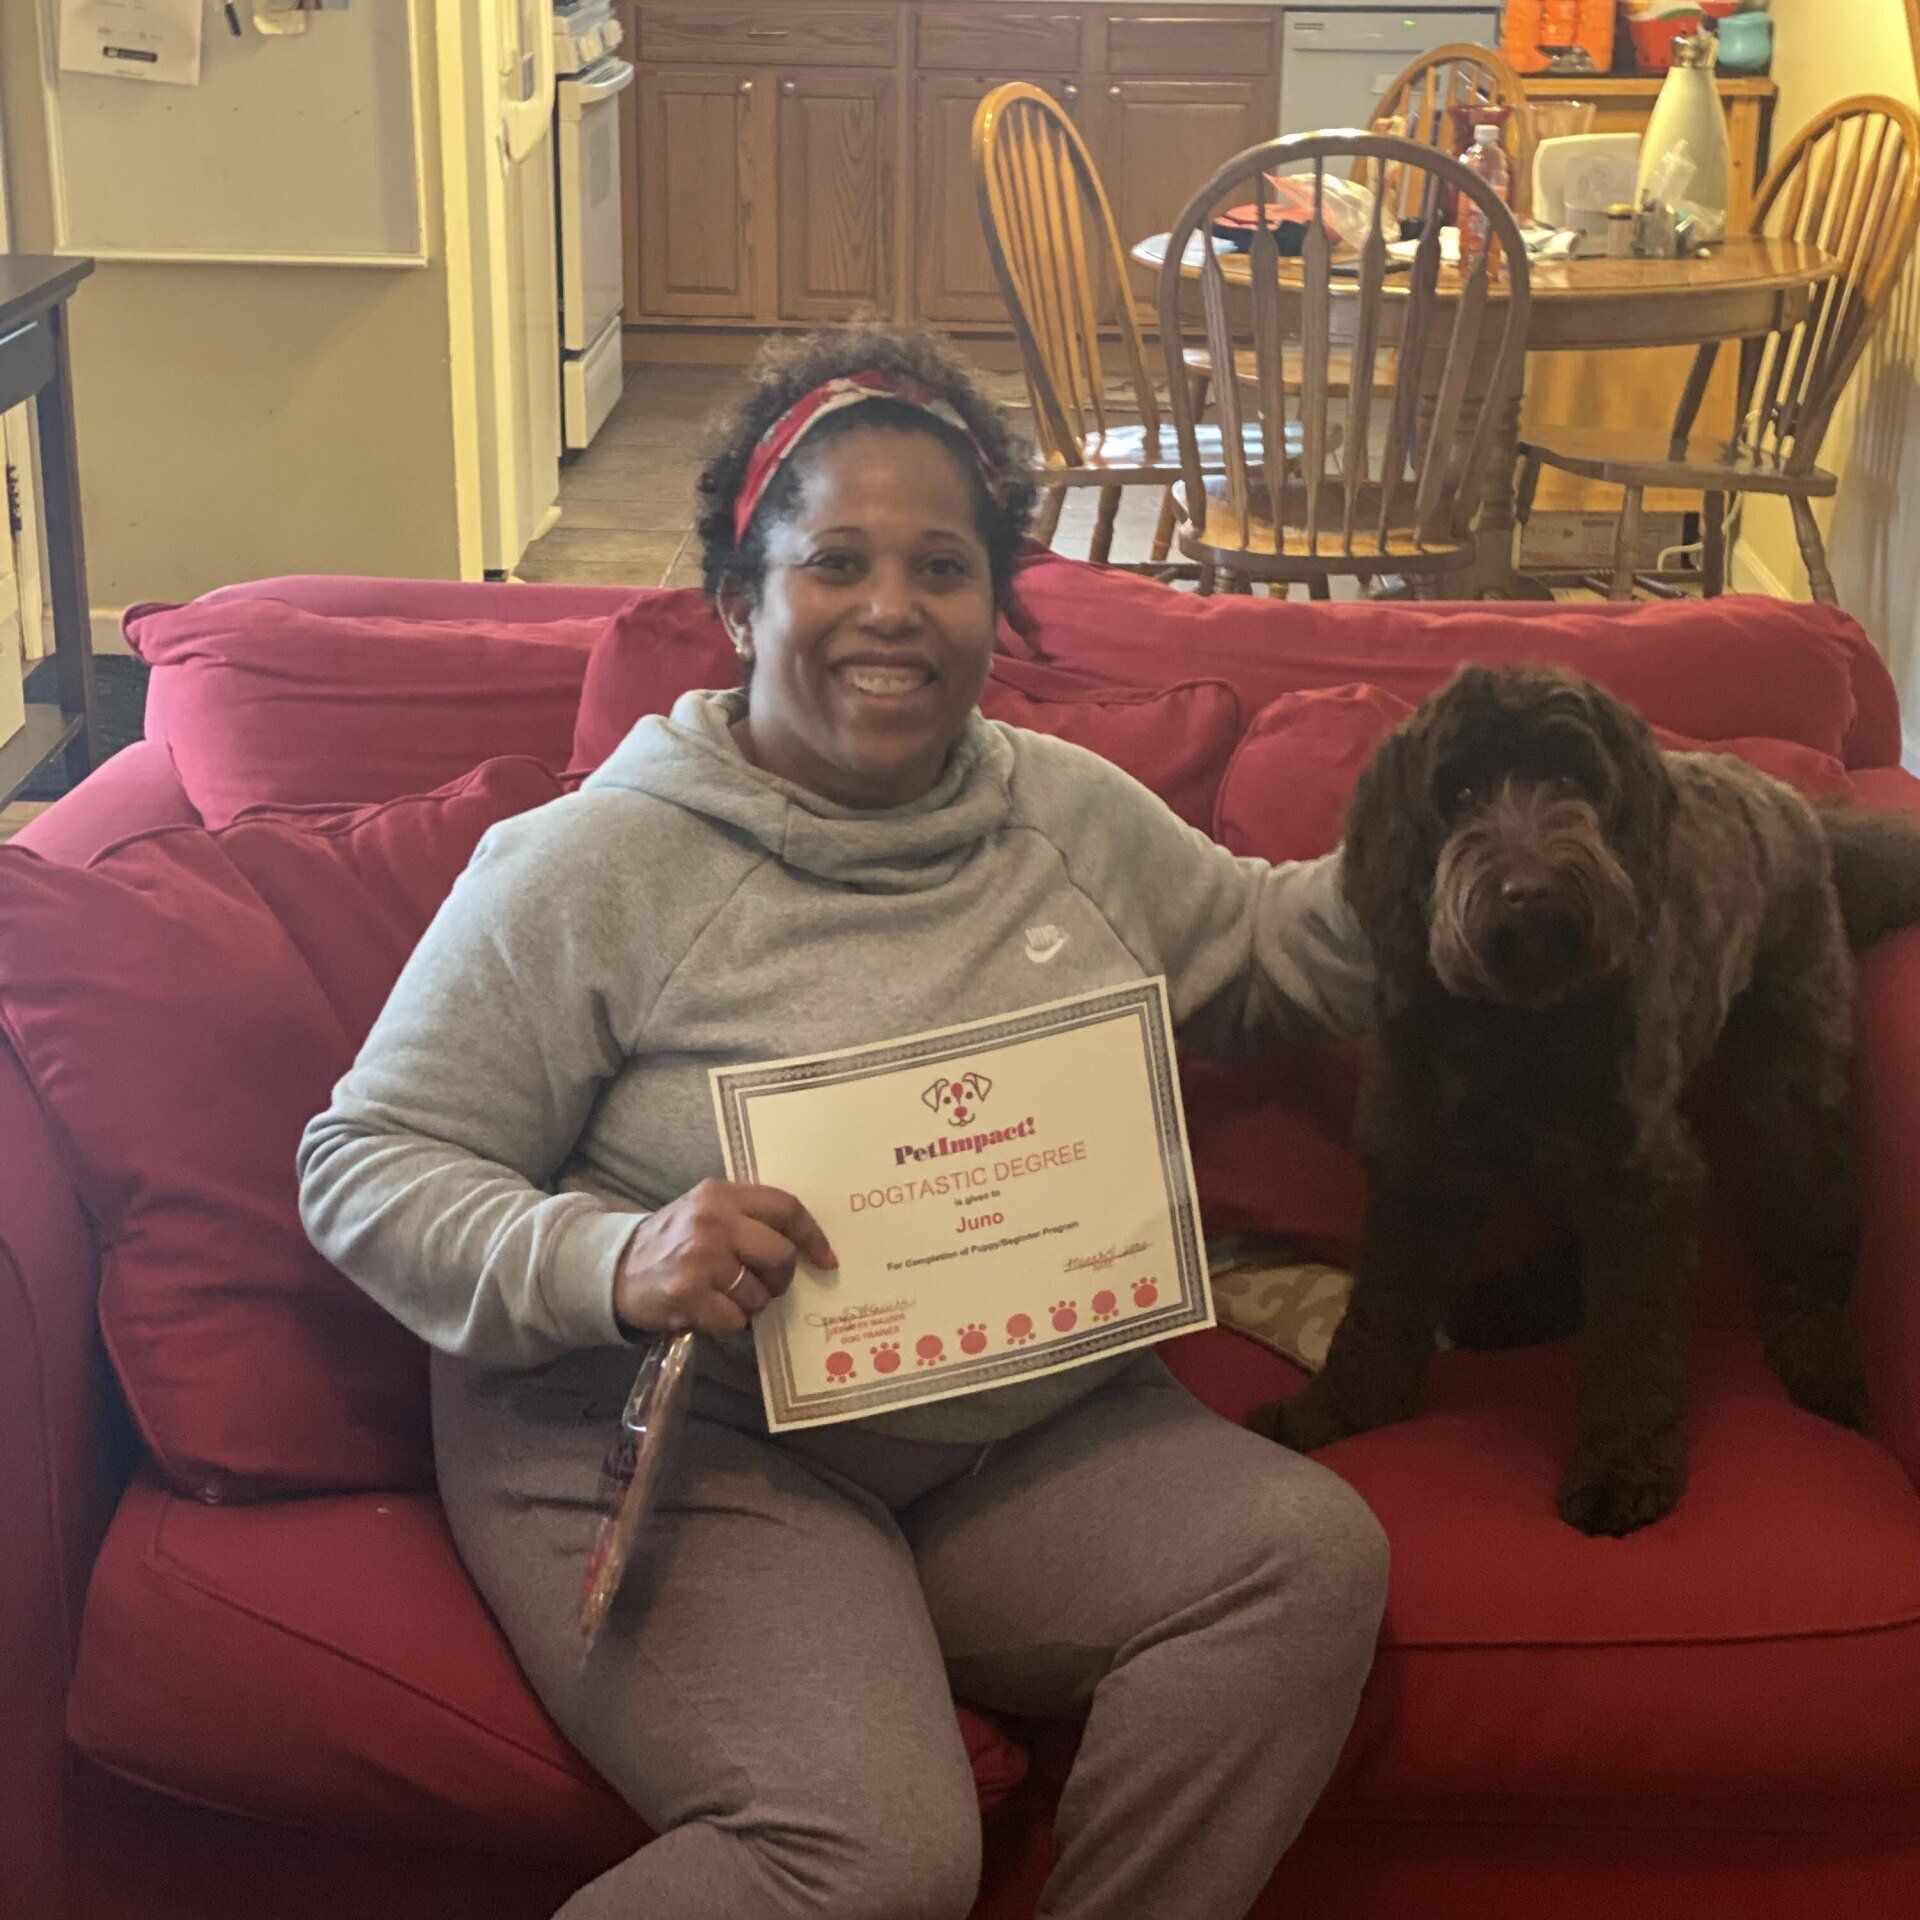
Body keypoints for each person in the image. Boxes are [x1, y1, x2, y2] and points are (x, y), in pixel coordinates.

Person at [299, 322, 1388, 1920]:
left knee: (1299, 1565)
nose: (894, 610)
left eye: (942, 567)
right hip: (683, 1435)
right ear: (742, 600)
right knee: (875, 1854)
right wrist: (614, 1252)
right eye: (838, 563)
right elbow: (363, 1164)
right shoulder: (600, 864)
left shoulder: (1062, 812)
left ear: (994, 610)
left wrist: (1455, 836)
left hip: (1008, 1422)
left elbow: (1263, 948)